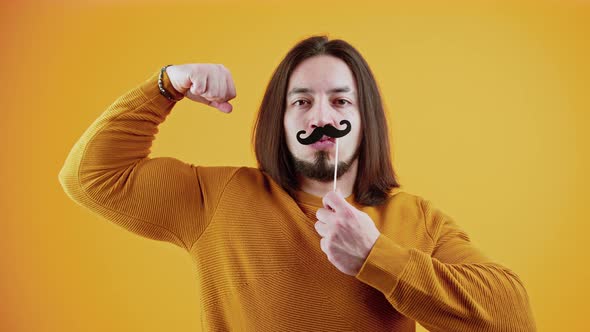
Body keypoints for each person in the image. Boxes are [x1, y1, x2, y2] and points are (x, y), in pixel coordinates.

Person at [58, 35, 536, 331]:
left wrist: (377, 257)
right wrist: (164, 85)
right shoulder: (218, 199)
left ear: (365, 119)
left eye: (341, 102)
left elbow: (511, 320)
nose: (322, 117)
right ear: (279, 122)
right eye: (302, 102)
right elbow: (90, 177)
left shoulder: (415, 219)